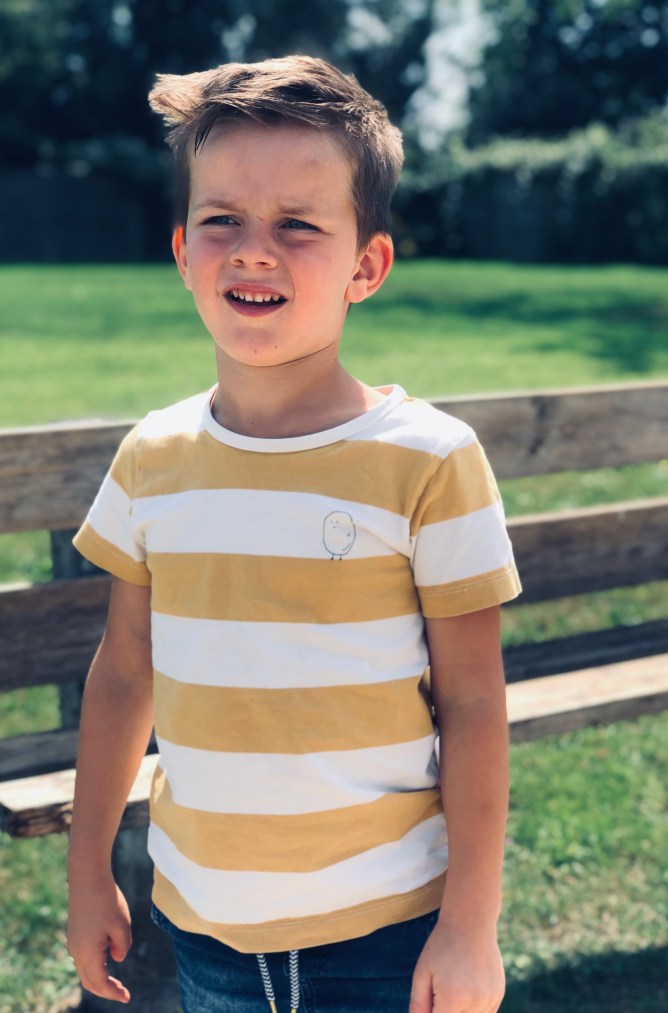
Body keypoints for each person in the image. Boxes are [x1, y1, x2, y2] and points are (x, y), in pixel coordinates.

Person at [66, 55, 521, 1013]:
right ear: (182, 251)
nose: (253, 251)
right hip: (205, 927)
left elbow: (475, 702)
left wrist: (470, 926)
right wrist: (88, 868)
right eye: (222, 219)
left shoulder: (429, 460)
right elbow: (123, 673)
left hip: (388, 931)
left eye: (298, 225)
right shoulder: (153, 457)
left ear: (367, 266)